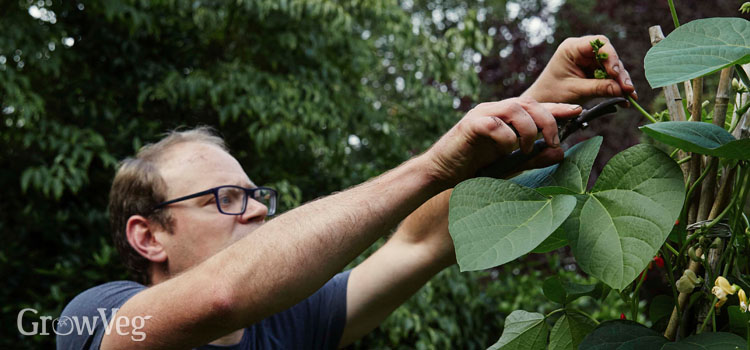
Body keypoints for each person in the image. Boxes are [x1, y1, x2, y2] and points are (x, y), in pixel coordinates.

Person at [56, 35, 635, 350]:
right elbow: (220, 297)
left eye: (256, 193)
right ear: (148, 235)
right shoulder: (95, 319)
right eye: (224, 197)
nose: (257, 207)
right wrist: (433, 163)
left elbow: (420, 243)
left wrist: (529, 107)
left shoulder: (291, 323)